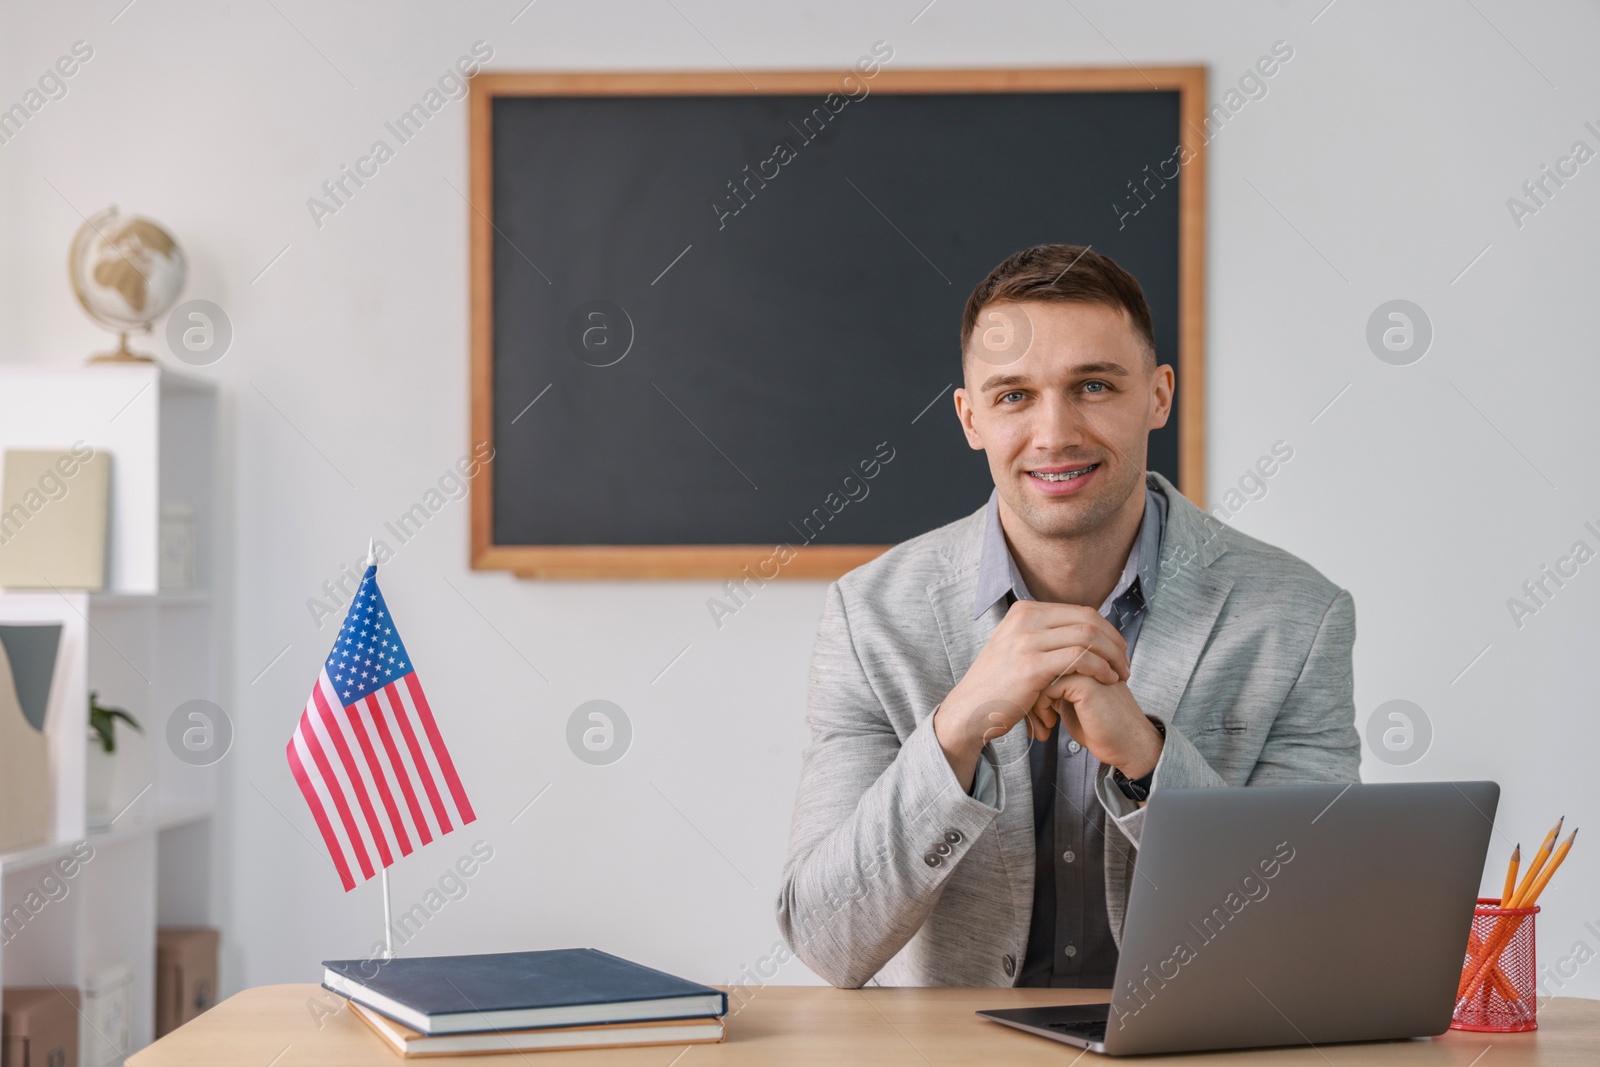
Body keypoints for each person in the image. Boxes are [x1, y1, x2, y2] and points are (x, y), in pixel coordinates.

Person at [775, 244, 1359, 989]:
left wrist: (1151, 762)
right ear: (970, 417)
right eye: (1014, 395)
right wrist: (954, 732)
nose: (1054, 433)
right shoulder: (871, 618)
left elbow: (1311, 934)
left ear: (1158, 395)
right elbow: (829, 939)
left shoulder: (1298, 618)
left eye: (1092, 385)